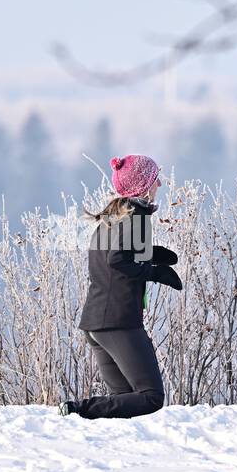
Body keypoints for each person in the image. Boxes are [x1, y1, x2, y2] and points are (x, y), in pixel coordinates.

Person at [60, 154, 182, 419]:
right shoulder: (136, 218)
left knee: (124, 403)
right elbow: (117, 259)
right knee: (150, 397)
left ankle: (90, 430)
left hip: (96, 324)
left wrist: (154, 254)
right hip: (119, 323)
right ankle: (78, 410)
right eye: (154, 178)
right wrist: (156, 272)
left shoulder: (111, 219)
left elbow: (115, 256)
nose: (159, 183)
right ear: (142, 184)